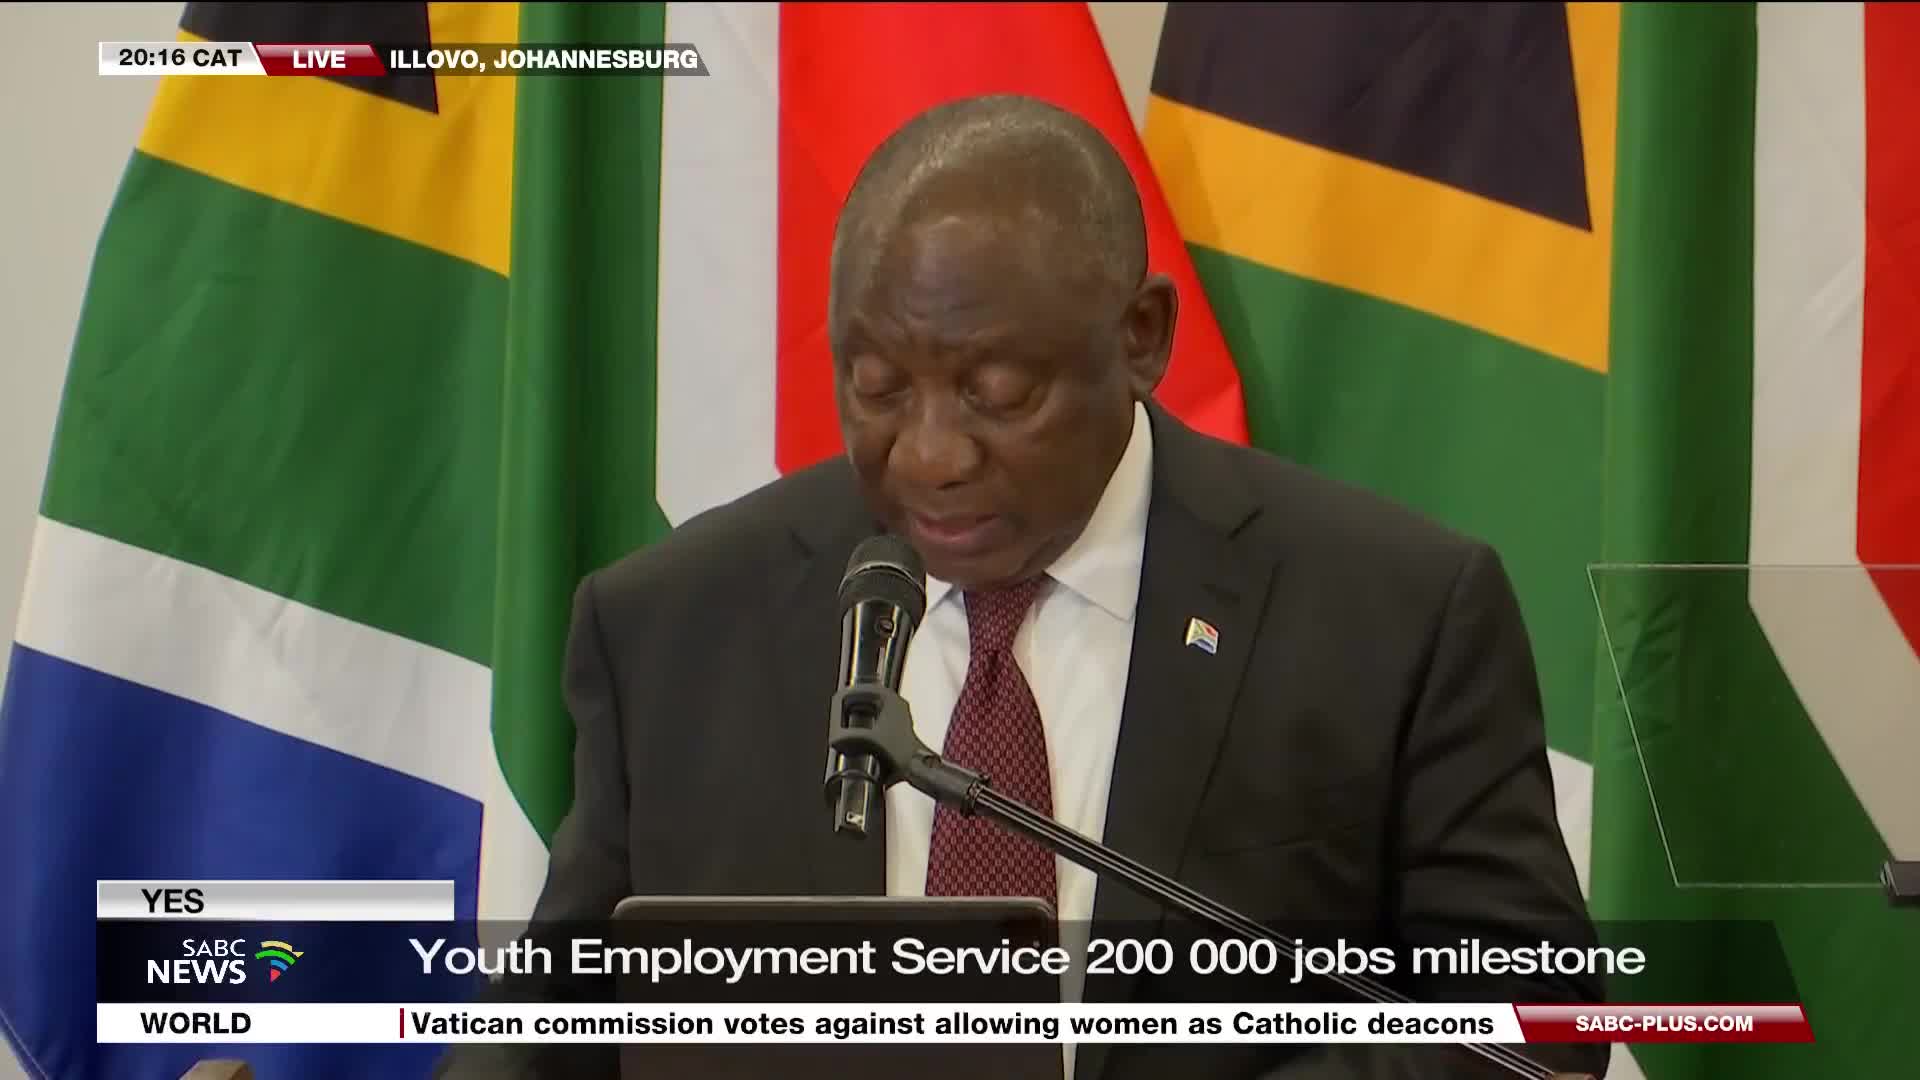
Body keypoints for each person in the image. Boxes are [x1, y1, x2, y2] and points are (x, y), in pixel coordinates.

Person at [440, 94, 1607, 1079]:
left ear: (1142, 337)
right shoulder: (674, 628)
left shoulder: (1390, 614)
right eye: (879, 386)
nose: (931, 452)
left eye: (998, 390)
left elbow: (1535, 1027)